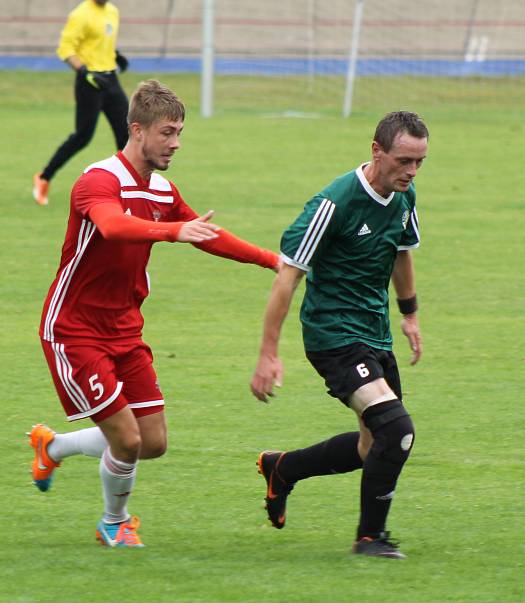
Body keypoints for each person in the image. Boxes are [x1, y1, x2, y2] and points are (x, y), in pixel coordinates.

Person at [29, 79, 279, 548]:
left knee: (153, 441)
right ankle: (113, 524)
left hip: (125, 327)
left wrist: (272, 260)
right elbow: (112, 224)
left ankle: (53, 446)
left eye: (180, 132)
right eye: (168, 132)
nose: (176, 143)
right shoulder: (98, 180)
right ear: (137, 130)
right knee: (126, 440)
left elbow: (205, 233)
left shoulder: (162, 190)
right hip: (74, 329)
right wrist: (170, 233)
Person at [250, 111, 428, 559]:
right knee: (397, 430)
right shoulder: (333, 204)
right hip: (333, 337)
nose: (410, 171)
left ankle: (282, 468)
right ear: (376, 150)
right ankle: (370, 538)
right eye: (403, 160)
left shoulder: (404, 198)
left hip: (375, 334)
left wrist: (409, 314)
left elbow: (401, 253)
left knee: (374, 446)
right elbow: (285, 279)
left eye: (419, 162)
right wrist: (268, 354)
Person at [32, 0, 132, 206]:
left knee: (127, 133)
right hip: (89, 82)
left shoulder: (112, 11)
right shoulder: (81, 14)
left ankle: (130, 188)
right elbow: (65, 49)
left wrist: (116, 55)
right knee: (83, 136)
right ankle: (44, 177)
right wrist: (84, 71)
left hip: (110, 79)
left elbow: (99, 41)